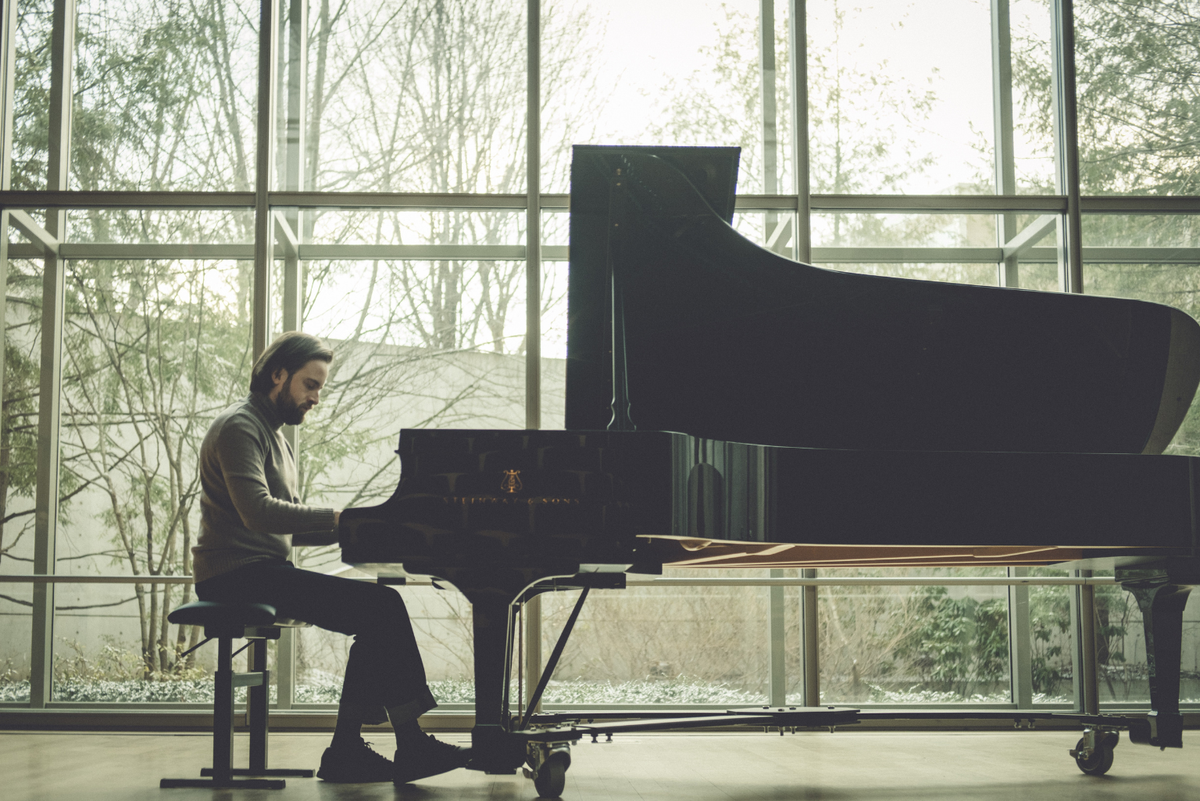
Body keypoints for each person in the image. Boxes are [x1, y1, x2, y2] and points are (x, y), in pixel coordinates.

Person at [191, 331, 470, 784]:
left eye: (319, 387)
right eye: (311, 384)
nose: (316, 397)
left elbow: (273, 529)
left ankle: (355, 749)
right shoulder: (240, 427)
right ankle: (393, 745)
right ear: (278, 375)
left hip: (260, 571)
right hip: (234, 577)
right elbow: (259, 514)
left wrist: (362, 535)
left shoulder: (272, 435)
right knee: (380, 608)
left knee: (377, 611)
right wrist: (343, 520)